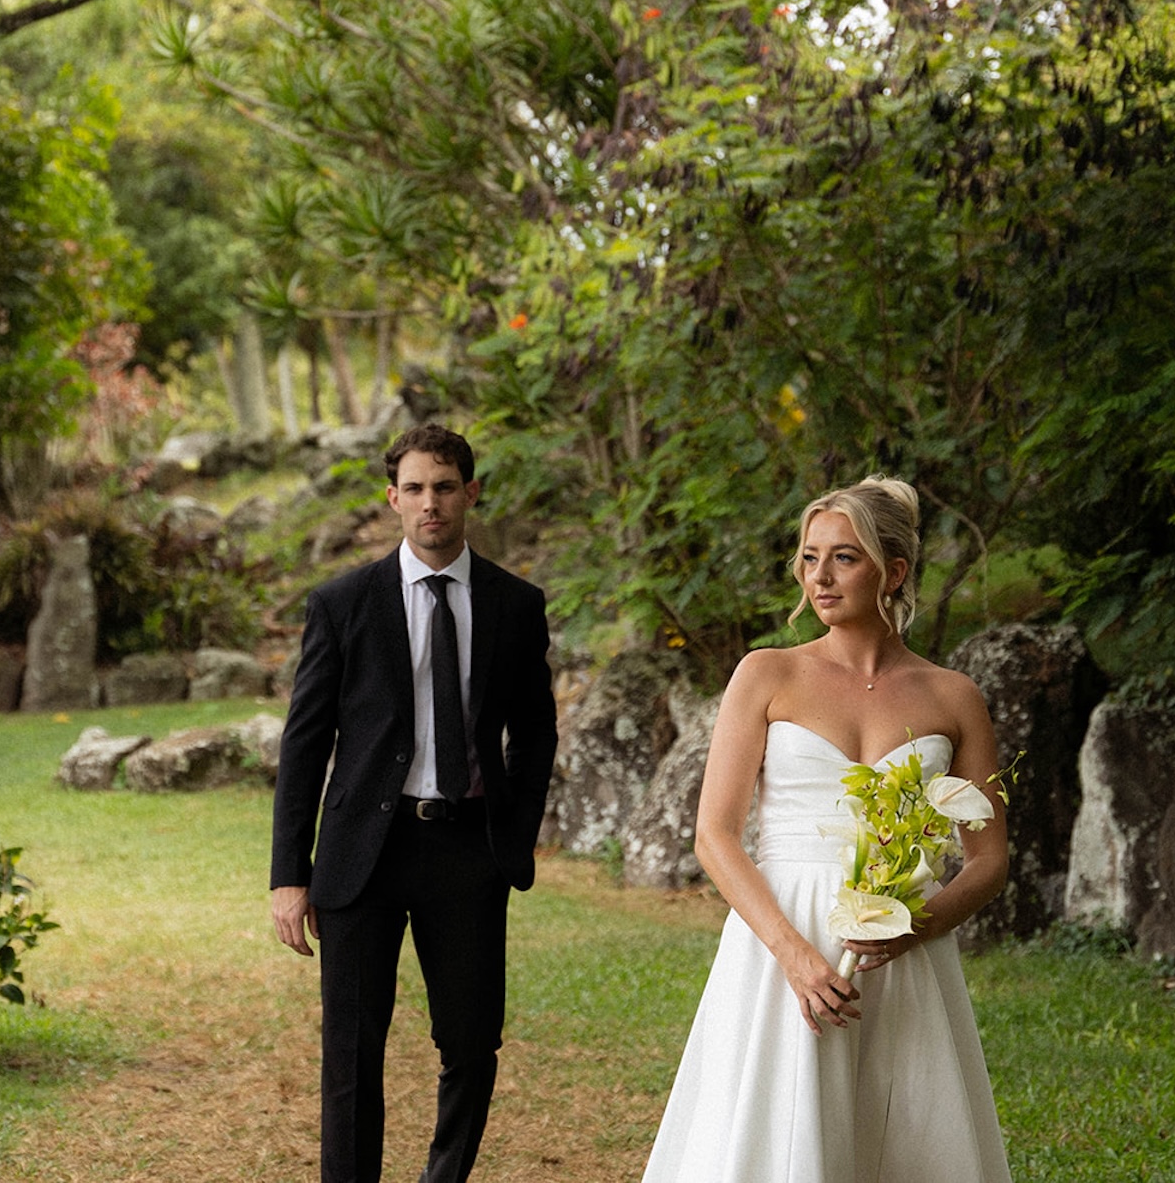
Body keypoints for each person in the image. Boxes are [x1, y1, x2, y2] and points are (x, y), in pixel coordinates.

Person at [643, 475, 1013, 1182]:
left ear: (893, 571)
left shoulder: (953, 695)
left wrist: (916, 924)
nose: (820, 576)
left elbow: (988, 859)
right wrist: (794, 956)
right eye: (809, 558)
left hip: (900, 948)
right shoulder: (766, 674)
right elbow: (714, 835)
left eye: (844, 557)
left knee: (902, 1132)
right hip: (782, 939)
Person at [270, 423, 560, 1183]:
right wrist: (287, 875)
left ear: (471, 492)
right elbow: (304, 745)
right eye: (415, 489)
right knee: (352, 1052)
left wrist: (513, 839)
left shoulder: (516, 605)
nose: (430, 503)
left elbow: (534, 734)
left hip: (466, 851)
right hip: (362, 853)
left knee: (470, 1043)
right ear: (391, 499)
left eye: (445, 487)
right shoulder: (342, 604)